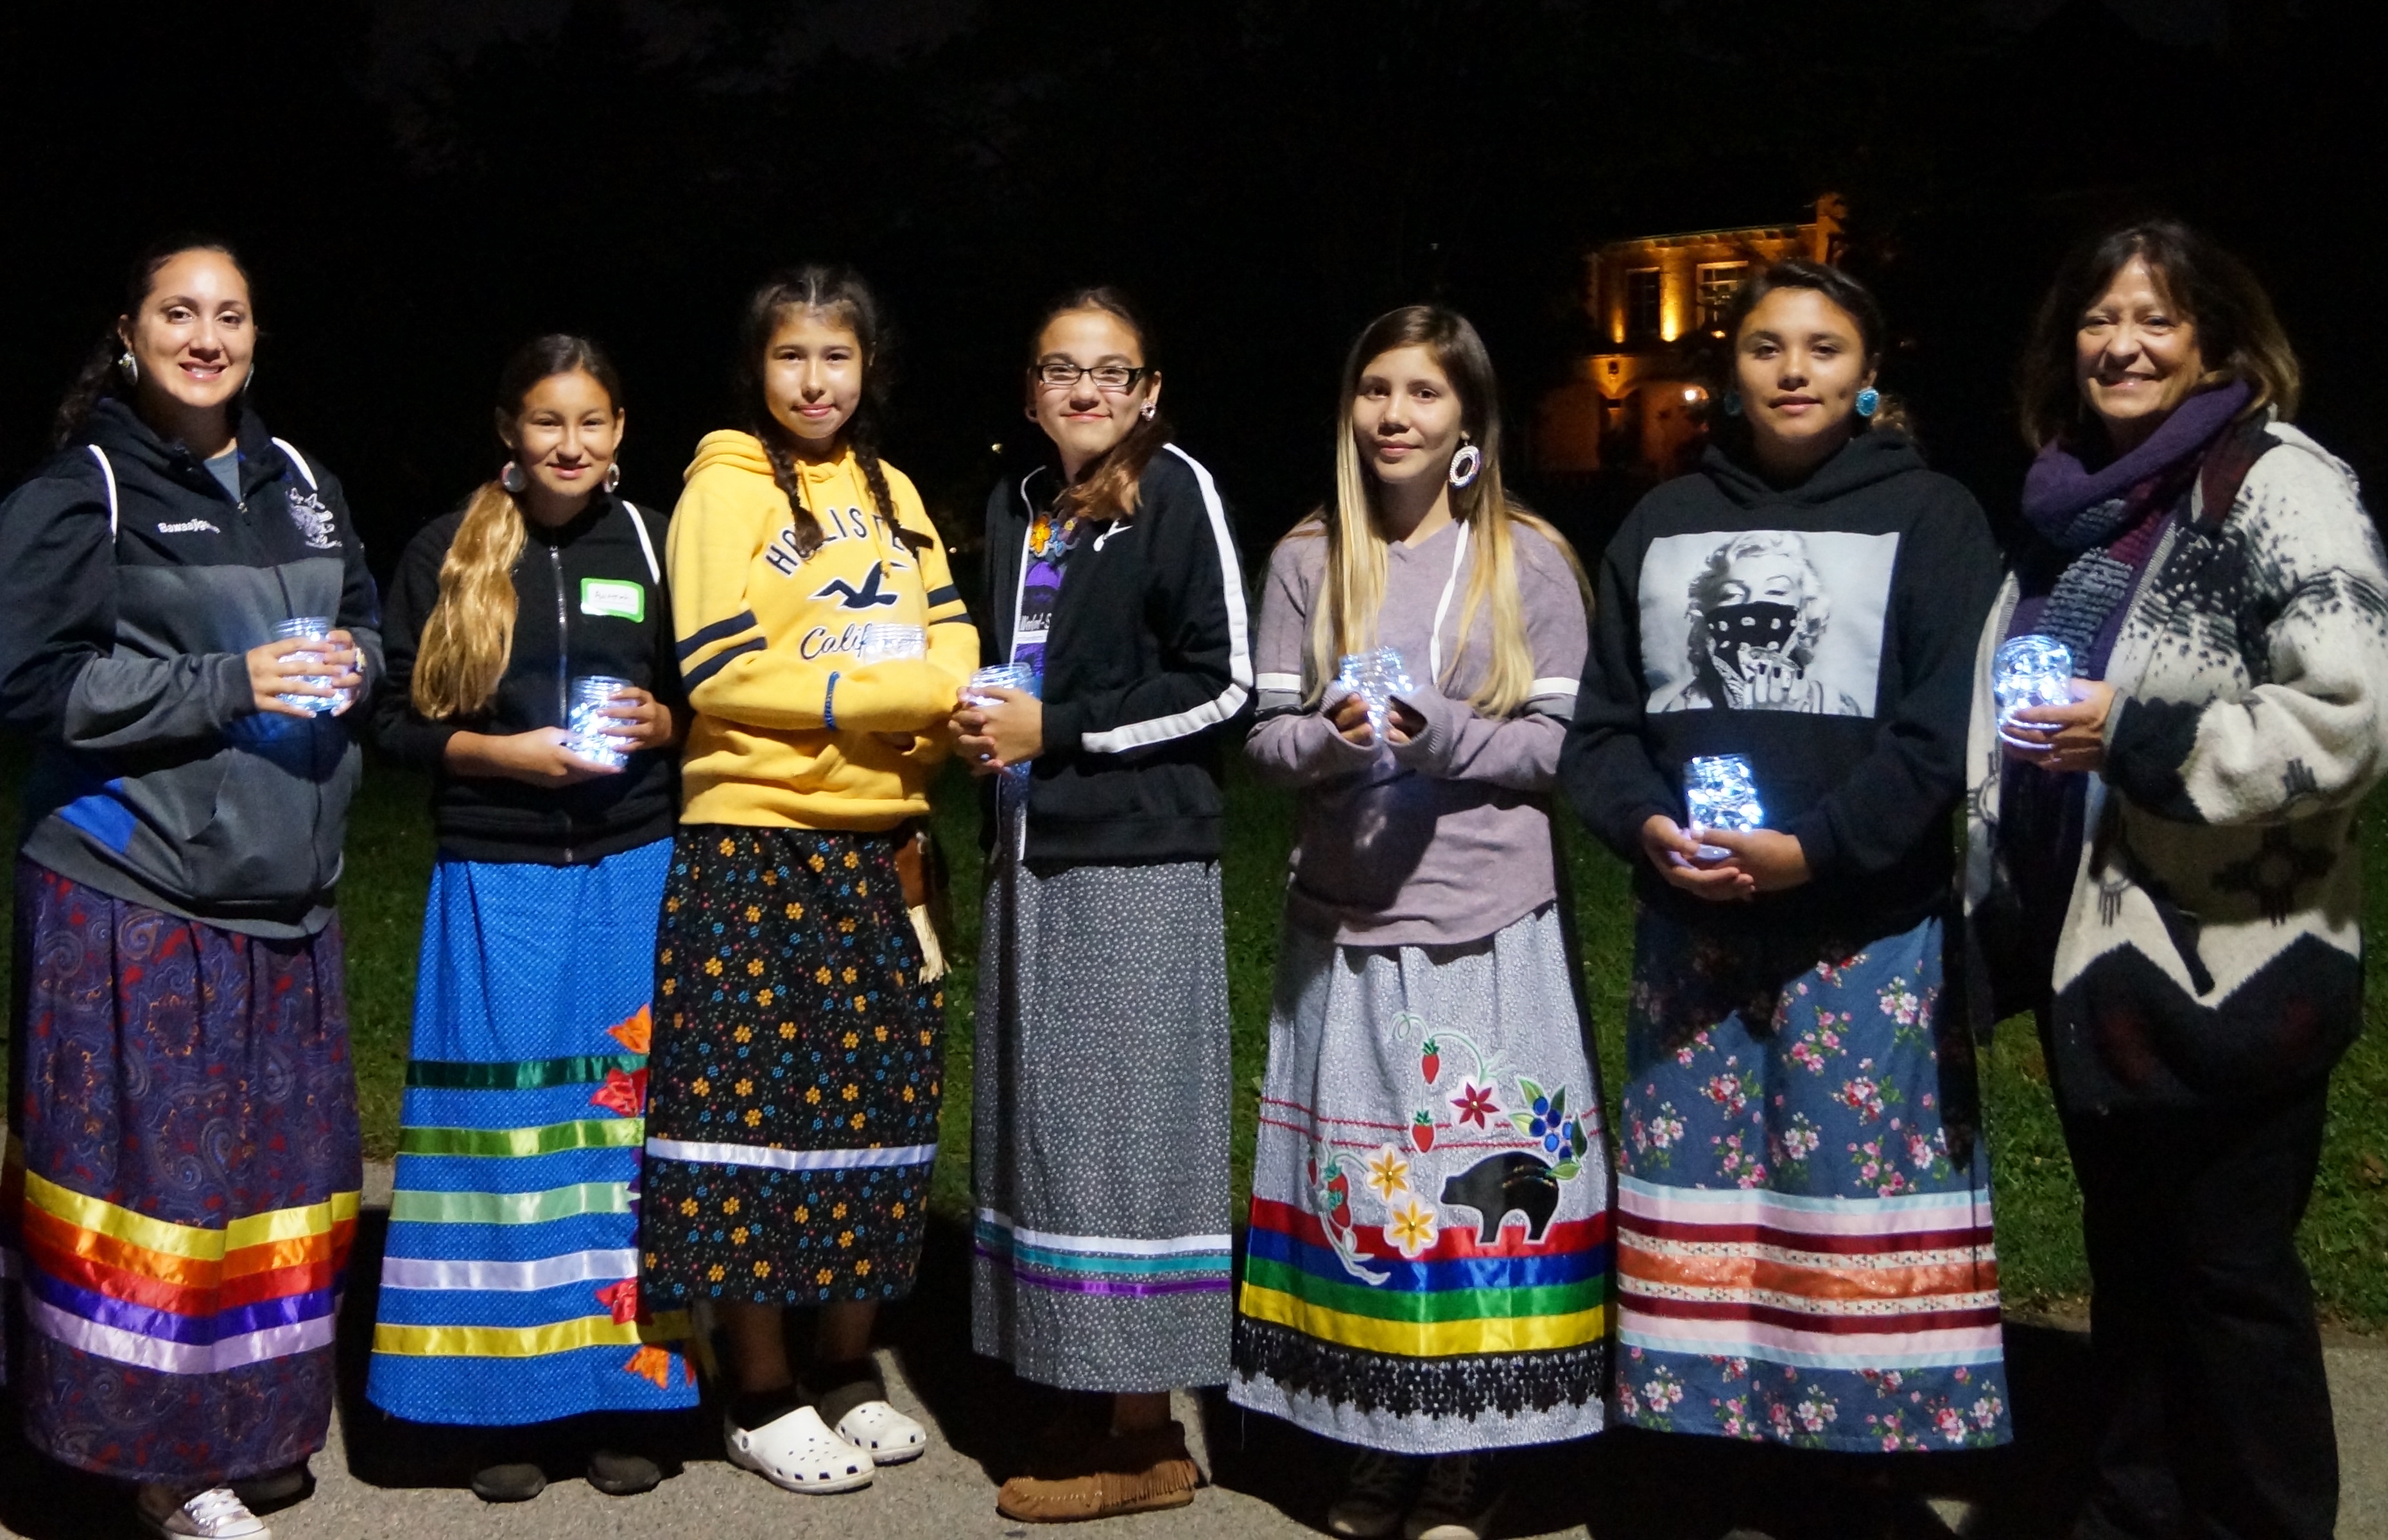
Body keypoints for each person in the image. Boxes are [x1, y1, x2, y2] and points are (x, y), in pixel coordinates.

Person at [1562, 261, 2010, 1519]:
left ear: (1870, 376)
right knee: (1708, 1207)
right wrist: (1647, 829)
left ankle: (1856, 1475)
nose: (1796, 369)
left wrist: (1817, 850)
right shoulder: (1659, 525)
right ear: (1731, 368)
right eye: (1767, 346)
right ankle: (1700, 1457)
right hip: (1695, 937)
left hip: (1867, 933)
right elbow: (1599, 732)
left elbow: (1940, 732)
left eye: (1824, 348)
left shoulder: (1931, 519)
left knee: (1845, 1208)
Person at [1972, 220, 2387, 1540]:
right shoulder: (2069, 504)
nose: (2124, 343)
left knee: (2229, 1281)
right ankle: (2133, 1512)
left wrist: (2142, 739)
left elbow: (2350, 714)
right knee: (2135, 1274)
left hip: (2240, 956)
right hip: (2094, 953)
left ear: (2213, 337)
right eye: (2100, 319)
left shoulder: (2277, 485)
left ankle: (2266, 1519)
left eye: (2155, 318)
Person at [0, 239, 377, 1540]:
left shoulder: (302, 482)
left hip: (286, 900)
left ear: (257, 336)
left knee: (270, 1184)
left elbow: (370, 619)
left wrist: (355, 662)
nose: (206, 336)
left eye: (229, 315)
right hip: (133, 894)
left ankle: (244, 1428)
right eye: (180, 313)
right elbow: (32, 684)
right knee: (152, 1194)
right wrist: (230, 685)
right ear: (130, 330)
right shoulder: (84, 488)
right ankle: (146, 1464)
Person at [1232, 306, 1607, 1540]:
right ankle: (1372, 1433)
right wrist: (1329, 742)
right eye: (1376, 390)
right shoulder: (1307, 556)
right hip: (1344, 925)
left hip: (1486, 924)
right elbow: (1266, 739)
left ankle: (1470, 1454)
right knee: (1371, 1193)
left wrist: (1439, 732)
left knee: (1475, 1191)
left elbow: (1561, 747)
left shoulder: (1527, 558)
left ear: (1468, 422)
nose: (1395, 415)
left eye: (1425, 395)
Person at [641, 266, 976, 1496]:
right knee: (752, 1119)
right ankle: (761, 1382)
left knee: (875, 1111)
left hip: (884, 843)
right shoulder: (719, 488)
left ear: (868, 369)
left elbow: (957, 644)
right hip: (755, 837)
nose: (816, 381)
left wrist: (910, 714)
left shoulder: (892, 491)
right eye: (793, 357)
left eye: (838, 357)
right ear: (758, 368)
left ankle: (847, 1365)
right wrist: (885, 701)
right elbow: (722, 673)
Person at [361, 335, 695, 1501]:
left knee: (621, 1136)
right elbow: (389, 719)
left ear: (620, 431)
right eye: (549, 422)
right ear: (510, 427)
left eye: (593, 423)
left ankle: (625, 1392)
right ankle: (493, 1401)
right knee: (499, 1145)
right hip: (495, 872)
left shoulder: (651, 543)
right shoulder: (447, 549)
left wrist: (666, 727)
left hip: (631, 864)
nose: (571, 445)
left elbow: (706, 695)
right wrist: (495, 753)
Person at [955, 286, 1250, 1523]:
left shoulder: (1175, 488)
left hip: (1135, 860)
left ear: (1150, 392)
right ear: (1030, 391)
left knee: (1133, 1150)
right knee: (1050, 1138)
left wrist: (1057, 730)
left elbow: (1223, 681)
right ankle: (1077, 1387)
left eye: (1111, 372)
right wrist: (990, 734)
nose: (1086, 391)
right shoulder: (1014, 509)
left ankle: (1146, 1432)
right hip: (1027, 853)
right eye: (1060, 370)